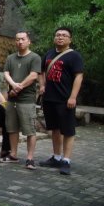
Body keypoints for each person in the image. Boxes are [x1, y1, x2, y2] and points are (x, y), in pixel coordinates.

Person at [38, 27, 83, 175]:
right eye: (57, 35)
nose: (60, 37)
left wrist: (73, 97)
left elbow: (78, 76)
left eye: (64, 35)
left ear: (70, 39)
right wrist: (42, 85)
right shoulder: (49, 54)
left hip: (65, 99)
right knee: (55, 129)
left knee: (68, 130)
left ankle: (66, 160)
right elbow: (41, 71)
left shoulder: (74, 56)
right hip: (49, 99)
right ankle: (56, 157)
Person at [1, 31, 41, 170]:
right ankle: (13, 154)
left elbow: (33, 75)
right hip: (12, 100)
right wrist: (13, 84)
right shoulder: (11, 58)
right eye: (17, 39)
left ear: (29, 41)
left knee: (30, 130)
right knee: (12, 128)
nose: (20, 42)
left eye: (23, 39)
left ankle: (30, 158)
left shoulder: (34, 57)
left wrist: (18, 88)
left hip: (26, 99)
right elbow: (6, 73)